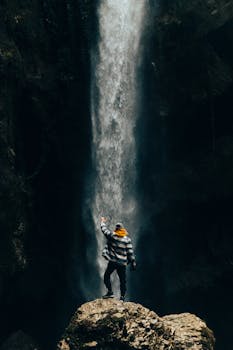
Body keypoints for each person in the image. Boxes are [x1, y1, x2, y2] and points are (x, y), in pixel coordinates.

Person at [100, 216, 136, 301]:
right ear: (123, 230)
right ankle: (122, 297)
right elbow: (130, 252)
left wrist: (102, 222)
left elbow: (104, 230)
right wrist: (133, 262)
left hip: (113, 262)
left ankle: (110, 292)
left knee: (106, 276)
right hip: (122, 263)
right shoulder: (127, 239)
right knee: (123, 281)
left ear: (116, 230)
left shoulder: (112, 236)